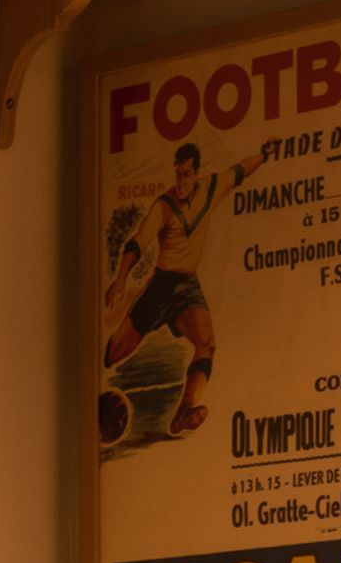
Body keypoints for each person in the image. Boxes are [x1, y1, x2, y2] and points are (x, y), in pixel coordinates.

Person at [104, 138, 270, 437]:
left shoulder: (210, 188)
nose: (181, 181)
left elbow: (241, 169)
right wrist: (120, 279)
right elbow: (138, 242)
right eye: (178, 174)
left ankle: (183, 412)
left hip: (188, 286)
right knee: (114, 353)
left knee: (207, 344)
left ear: (195, 174)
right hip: (161, 287)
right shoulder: (164, 206)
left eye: (187, 174)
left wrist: (265, 155)